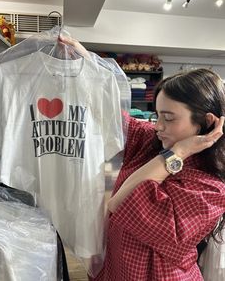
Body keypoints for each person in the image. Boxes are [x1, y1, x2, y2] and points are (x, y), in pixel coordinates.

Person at [60, 36, 225, 280]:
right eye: (157, 115)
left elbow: (119, 203)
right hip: (116, 267)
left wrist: (177, 153)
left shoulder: (209, 188)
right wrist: (86, 60)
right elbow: (111, 116)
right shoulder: (154, 141)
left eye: (168, 118)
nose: (158, 126)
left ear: (207, 122)